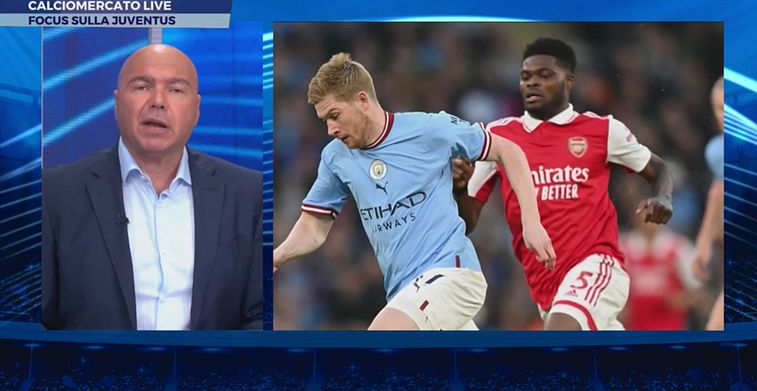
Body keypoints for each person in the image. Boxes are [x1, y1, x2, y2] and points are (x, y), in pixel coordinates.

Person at [273, 53, 554, 330]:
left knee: (380, 339)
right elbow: (314, 225)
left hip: (452, 275)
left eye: (335, 116)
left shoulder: (428, 129)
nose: (330, 129)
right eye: (324, 120)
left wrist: (531, 222)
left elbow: (508, 149)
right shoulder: (336, 157)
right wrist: (278, 255)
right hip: (404, 292)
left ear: (362, 101)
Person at [453, 37, 673, 330]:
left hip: (597, 266)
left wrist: (663, 196)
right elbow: (466, 222)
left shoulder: (602, 130)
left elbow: (658, 169)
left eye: (544, 75)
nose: (532, 82)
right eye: (526, 76)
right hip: (547, 289)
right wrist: (459, 188)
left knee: (559, 333)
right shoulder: (498, 138)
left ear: (568, 82)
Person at [42, 44, 263, 330]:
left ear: (196, 110)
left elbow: (258, 316)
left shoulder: (249, 194)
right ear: (117, 103)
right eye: (142, 87)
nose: (158, 101)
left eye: (176, 90)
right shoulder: (55, 194)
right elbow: (39, 321)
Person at [620, 204, 701, 330]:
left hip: (670, 330)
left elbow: (699, 293)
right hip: (632, 330)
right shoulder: (622, 248)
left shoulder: (680, 248)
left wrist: (681, 300)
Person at [691, 76, 724, 330]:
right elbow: (718, 191)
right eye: (719, 108)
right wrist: (704, 242)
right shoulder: (717, 150)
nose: (725, 116)